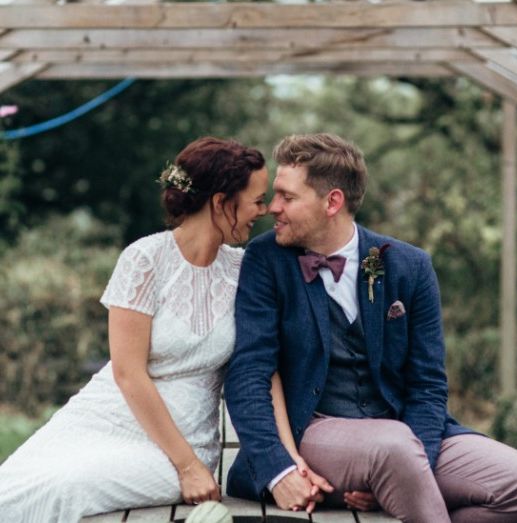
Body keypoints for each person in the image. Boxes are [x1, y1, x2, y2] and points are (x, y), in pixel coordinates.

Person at [0, 136, 330, 522]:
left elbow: (264, 367)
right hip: (102, 419)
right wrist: (188, 467)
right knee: (16, 487)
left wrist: (286, 460)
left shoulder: (244, 271)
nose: (265, 210)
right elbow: (128, 373)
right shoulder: (143, 259)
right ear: (221, 202)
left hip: (182, 443)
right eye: (257, 200)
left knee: (63, 487)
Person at [225, 133, 517, 522]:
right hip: (313, 430)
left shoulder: (409, 267)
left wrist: (411, 471)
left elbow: (428, 385)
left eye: (288, 197)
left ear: (333, 202)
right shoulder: (265, 260)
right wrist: (277, 470)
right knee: (394, 447)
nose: (272, 207)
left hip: (400, 437)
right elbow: (248, 373)